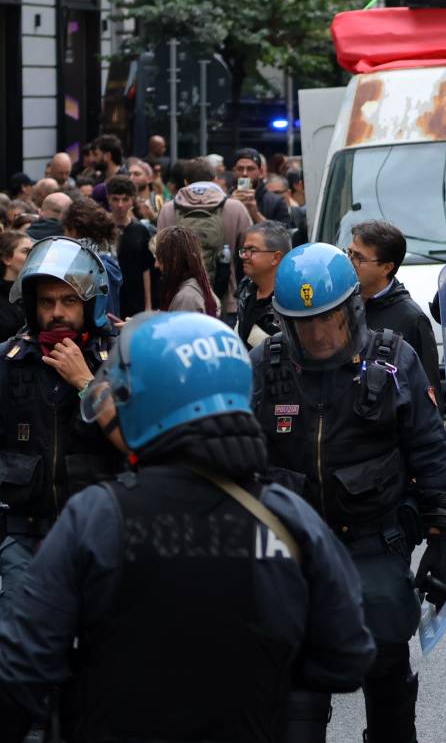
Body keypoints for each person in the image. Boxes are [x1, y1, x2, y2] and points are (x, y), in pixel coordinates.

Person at [0, 311, 377, 740]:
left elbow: (22, 668)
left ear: (143, 402)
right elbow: (347, 657)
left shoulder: (95, 518)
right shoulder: (288, 519)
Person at [250, 243, 446, 741]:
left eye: (328, 319)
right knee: (295, 674)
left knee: (385, 656)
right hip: (291, 547)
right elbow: (240, 459)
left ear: (351, 310)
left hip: (373, 539)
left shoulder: (394, 359)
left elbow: (431, 456)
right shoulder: (264, 364)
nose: (318, 334)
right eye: (305, 323)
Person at [0, 237, 123, 619]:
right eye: (46, 302)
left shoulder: (119, 359)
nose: (57, 313)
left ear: (90, 305)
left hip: (99, 538)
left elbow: (137, 439)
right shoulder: (8, 361)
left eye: (69, 301)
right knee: (19, 647)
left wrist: (86, 381)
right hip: (23, 536)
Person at [351, 219, 443, 409]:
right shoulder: (341, 303)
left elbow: (428, 394)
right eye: (349, 253)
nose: (350, 262)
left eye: (359, 258)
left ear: (387, 267)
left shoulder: (411, 318)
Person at [158, 161, 253, 319]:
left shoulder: (169, 208)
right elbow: (249, 251)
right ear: (214, 179)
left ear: (186, 181)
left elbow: (161, 254)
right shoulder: (235, 207)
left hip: (179, 300)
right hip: (226, 300)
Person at [62, 198, 123, 319]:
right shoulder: (107, 253)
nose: (64, 235)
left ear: (74, 230)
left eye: (65, 230)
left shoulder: (84, 264)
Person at [234, 221, 290, 348]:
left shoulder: (289, 304)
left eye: (252, 250)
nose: (243, 256)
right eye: (243, 250)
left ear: (276, 257)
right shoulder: (246, 292)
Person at [107, 175, 154, 318]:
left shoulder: (140, 230)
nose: (120, 205)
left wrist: (148, 306)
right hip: (108, 301)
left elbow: (146, 270)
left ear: (132, 200)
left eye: (125, 199)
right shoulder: (101, 228)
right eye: (115, 199)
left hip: (135, 301)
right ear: (109, 199)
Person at [156, 225, 220, 316]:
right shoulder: (195, 288)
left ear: (174, 259)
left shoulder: (186, 299)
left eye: (161, 258)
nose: (156, 265)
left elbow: (179, 330)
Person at [232, 147, 292, 227]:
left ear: (261, 172)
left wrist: (256, 214)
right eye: (240, 169)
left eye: (250, 169)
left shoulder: (277, 202)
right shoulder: (226, 200)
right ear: (234, 172)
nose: (245, 174)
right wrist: (230, 207)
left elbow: (285, 235)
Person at [0, 231, 32, 340]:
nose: (32, 256)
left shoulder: (36, 291)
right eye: (26, 251)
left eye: (34, 252)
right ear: (7, 259)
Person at [88, 134, 124, 209]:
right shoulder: (96, 180)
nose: (92, 160)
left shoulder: (125, 180)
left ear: (107, 156)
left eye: (96, 154)